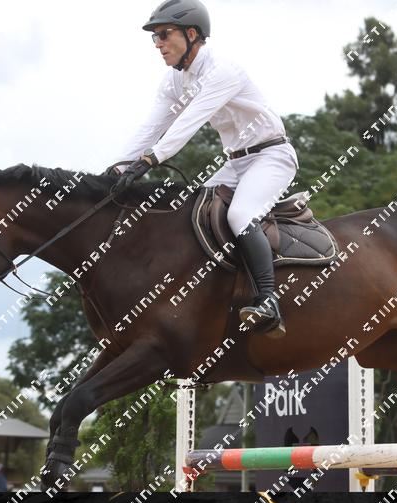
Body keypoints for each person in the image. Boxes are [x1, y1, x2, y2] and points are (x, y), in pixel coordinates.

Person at [108, 0, 298, 338]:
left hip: (271, 156)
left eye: (164, 35)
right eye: (154, 37)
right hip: (235, 162)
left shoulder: (223, 71)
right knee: (190, 211)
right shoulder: (174, 82)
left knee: (240, 215)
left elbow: (188, 123)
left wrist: (151, 160)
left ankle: (268, 300)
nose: (158, 44)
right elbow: (151, 128)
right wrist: (115, 170)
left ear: (192, 34)